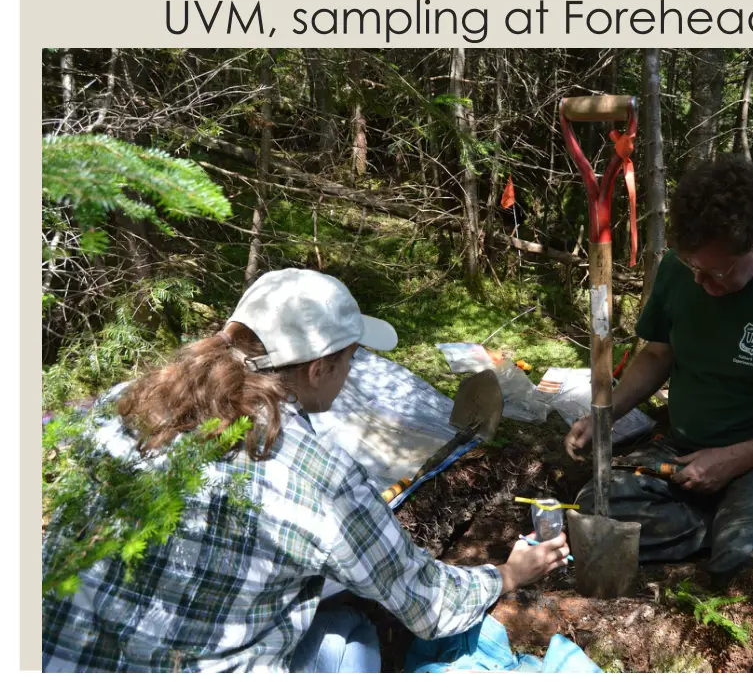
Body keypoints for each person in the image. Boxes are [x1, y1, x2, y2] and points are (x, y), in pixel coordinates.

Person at [43, 268, 570, 672]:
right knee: (346, 636)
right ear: (319, 368)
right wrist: (506, 573)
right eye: (350, 360)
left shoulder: (130, 404)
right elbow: (427, 603)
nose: (350, 372)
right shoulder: (316, 476)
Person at [565, 155, 753, 589]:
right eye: (692, 266)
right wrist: (606, 414)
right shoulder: (682, 269)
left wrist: (733, 460)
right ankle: (713, 520)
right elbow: (658, 353)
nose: (700, 282)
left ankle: (736, 523)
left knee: (747, 560)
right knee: (595, 509)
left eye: (716, 271)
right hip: (683, 454)